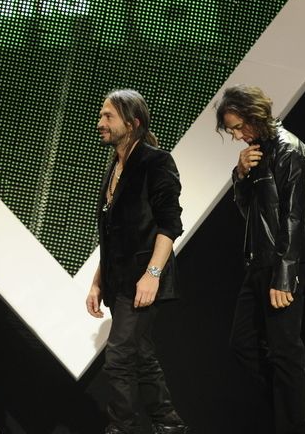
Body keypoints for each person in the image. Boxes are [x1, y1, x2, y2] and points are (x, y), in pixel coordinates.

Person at [215, 85, 305, 434]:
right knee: (243, 344)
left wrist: (284, 275)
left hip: (284, 264)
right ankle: (304, 420)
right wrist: (240, 177)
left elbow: (297, 218)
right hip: (257, 263)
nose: (236, 136)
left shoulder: (292, 151)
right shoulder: (255, 153)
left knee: (285, 351)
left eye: (237, 127)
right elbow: (249, 211)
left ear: (254, 115)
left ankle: (296, 426)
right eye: (231, 130)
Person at [85, 89, 189, 434]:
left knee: (118, 358)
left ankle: (122, 427)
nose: (100, 123)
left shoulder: (155, 162)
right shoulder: (114, 165)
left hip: (143, 279)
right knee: (142, 357)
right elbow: (112, 234)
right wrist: (98, 281)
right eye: (101, 115)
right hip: (118, 280)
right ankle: (169, 425)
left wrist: (153, 274)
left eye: (108, 117)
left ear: (133, 123)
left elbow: (169, 224)